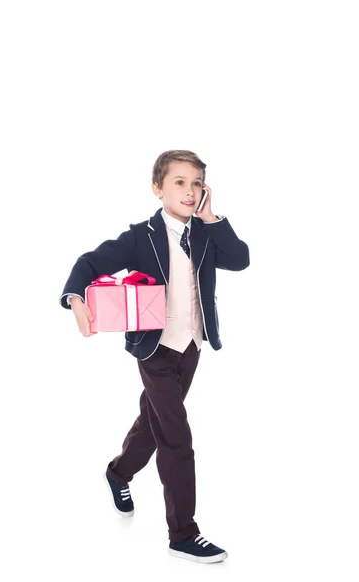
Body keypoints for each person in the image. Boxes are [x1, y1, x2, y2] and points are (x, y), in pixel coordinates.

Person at [59, 150, 250, 563]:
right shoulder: (140, 237)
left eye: (196, 183)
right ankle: (182, 533)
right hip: (155, 347)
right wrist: (75, 298)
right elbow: (90, 262)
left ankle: (118, 472)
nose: (189, 190)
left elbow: (240, 259)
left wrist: (211, 218)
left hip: (192, 345)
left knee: (153, 420)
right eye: (179, 182)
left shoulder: (204, 233)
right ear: (157, 188)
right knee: (176, 435)